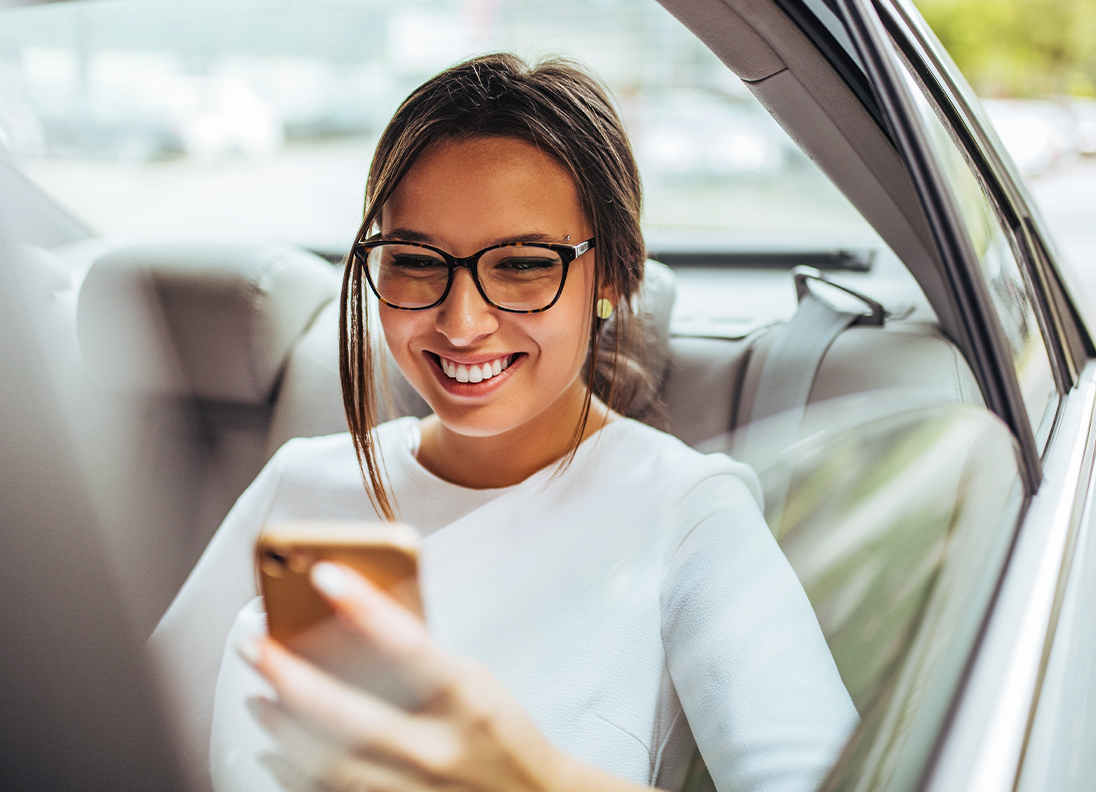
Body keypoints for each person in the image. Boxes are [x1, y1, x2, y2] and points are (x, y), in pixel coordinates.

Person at [150, 53, 857, 792]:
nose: (462, 322)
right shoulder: (299, 485)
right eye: (417, 260)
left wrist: (532, 776)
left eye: (522, 264)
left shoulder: (690, 516)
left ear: (612, 274)